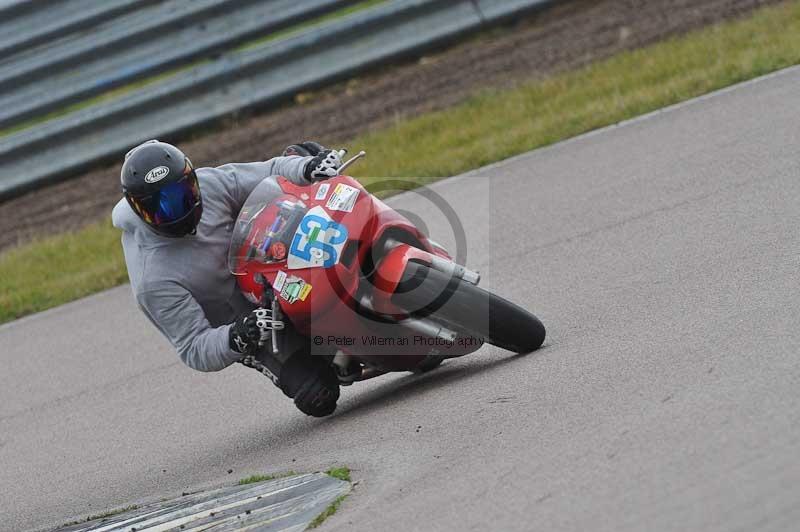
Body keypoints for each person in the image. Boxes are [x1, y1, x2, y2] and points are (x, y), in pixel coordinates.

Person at [112, 140, 345, 417]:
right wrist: (238, 336)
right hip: (250, 320)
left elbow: (270, 169)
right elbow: (193, 346)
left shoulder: (210, 183)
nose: (178, 210)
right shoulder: (152, 280)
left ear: (192, 179)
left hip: (268, 258)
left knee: (305, 162)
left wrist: (307, 167)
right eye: (161, 208)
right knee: (317, 394)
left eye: (184, 194)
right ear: (140, 212)